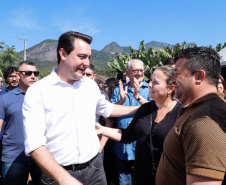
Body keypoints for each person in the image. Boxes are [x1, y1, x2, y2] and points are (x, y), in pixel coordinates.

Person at [22, 31, 139, 185]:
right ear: (63, 54)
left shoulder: (89, 85)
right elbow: (35, 145)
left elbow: (108, 109)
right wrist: (65, 179)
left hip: (95, 168)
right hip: (58, 175)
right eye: (82, 57)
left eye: (89, 57)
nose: (87, 63)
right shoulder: (38, 91)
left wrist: (141, 109)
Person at [96, 66, 183, 184]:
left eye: (155, 82)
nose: (149, 85)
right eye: (150, 80)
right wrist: (102, 129)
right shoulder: (145, 109)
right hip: (141, 177)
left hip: (169, 179)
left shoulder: (182, 114)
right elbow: (126, 135)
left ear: (170, 88)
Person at [156, 47, 226, 185]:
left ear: (199, 77)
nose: (172, 80)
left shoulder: (205, 122)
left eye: (177, 74)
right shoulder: (197, 109)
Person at [0, 61, 41, 185]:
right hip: (13, 158)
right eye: (28, 73)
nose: (33, 76)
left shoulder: (43, 97)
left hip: (41, 156)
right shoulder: (4, 98)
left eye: (35, 73)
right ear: (18, 75)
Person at [111, 59, 151, 185]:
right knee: (123, 180)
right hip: (121, 145)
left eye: (141, 70)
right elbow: (110, 112)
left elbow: (155, 110)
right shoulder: (119, 90)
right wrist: (121, 101)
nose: (139, 73)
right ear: (127, 73)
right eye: (135, 71)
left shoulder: (150, 89)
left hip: (142, 145)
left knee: (143, 180)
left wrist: (138, 96)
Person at [83, 64, 113, 160]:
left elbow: (108, 121)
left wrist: (101, 145)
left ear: (94, 76)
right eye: (83, 74)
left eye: (88, 75)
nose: (85, 77)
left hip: (96, 142)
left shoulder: (101, 94)